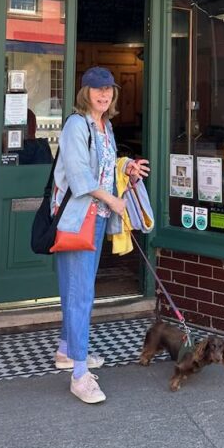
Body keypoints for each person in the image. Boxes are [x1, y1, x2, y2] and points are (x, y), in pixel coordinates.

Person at [52, 66, 149, 404]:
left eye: (108, 89)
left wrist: (126, 168)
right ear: (85, 93)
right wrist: (114, 201)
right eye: (97, 89)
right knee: (81, 294)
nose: (104, 95)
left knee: (75, 288)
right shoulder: (76, 125)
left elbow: (103, 166)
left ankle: (66, 351)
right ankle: (80, 375)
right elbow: (80, 177)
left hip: (93, 218)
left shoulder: (104, 127)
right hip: (79, 219)